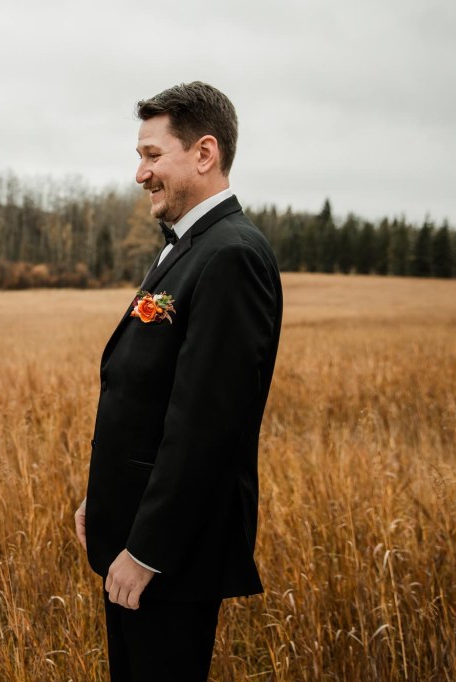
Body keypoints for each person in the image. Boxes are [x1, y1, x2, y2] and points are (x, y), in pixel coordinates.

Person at [74, 82, 283, 681]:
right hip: (136, 534)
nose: (140, 172)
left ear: (204, 153)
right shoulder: (190, 245)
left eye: (151, 154)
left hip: (170, 558)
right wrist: (106, 496)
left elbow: (208, 426)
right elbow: (149, 397)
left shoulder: (230, 255)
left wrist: (148, 550)